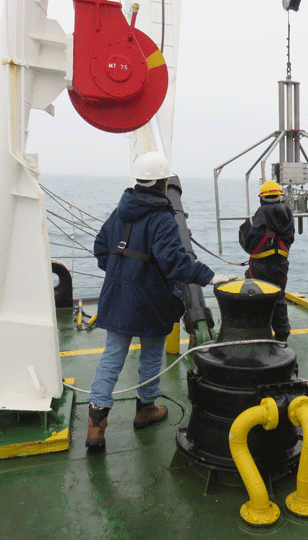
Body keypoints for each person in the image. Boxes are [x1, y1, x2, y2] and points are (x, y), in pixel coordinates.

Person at [86, 151, 236, 452]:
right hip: (150, 300)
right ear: (164, 184)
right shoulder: (163, 219)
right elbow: (175, 263)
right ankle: (145, 411)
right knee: (152, 356)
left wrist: (121, 273)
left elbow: (101, 248)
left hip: (116, 297)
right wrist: (211, 277)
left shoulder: (119, 211)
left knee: (112, 356)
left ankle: (96, 428)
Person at [238, 180, 295, 342]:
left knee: (254, 297)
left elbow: (246, 243)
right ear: (279, 197)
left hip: (258, 267)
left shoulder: (255, 218)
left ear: (262, 198)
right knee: (278, 297)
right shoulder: (288, 216)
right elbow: (290, 239)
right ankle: (282, 335)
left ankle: (257, 333)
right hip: (281, 266)